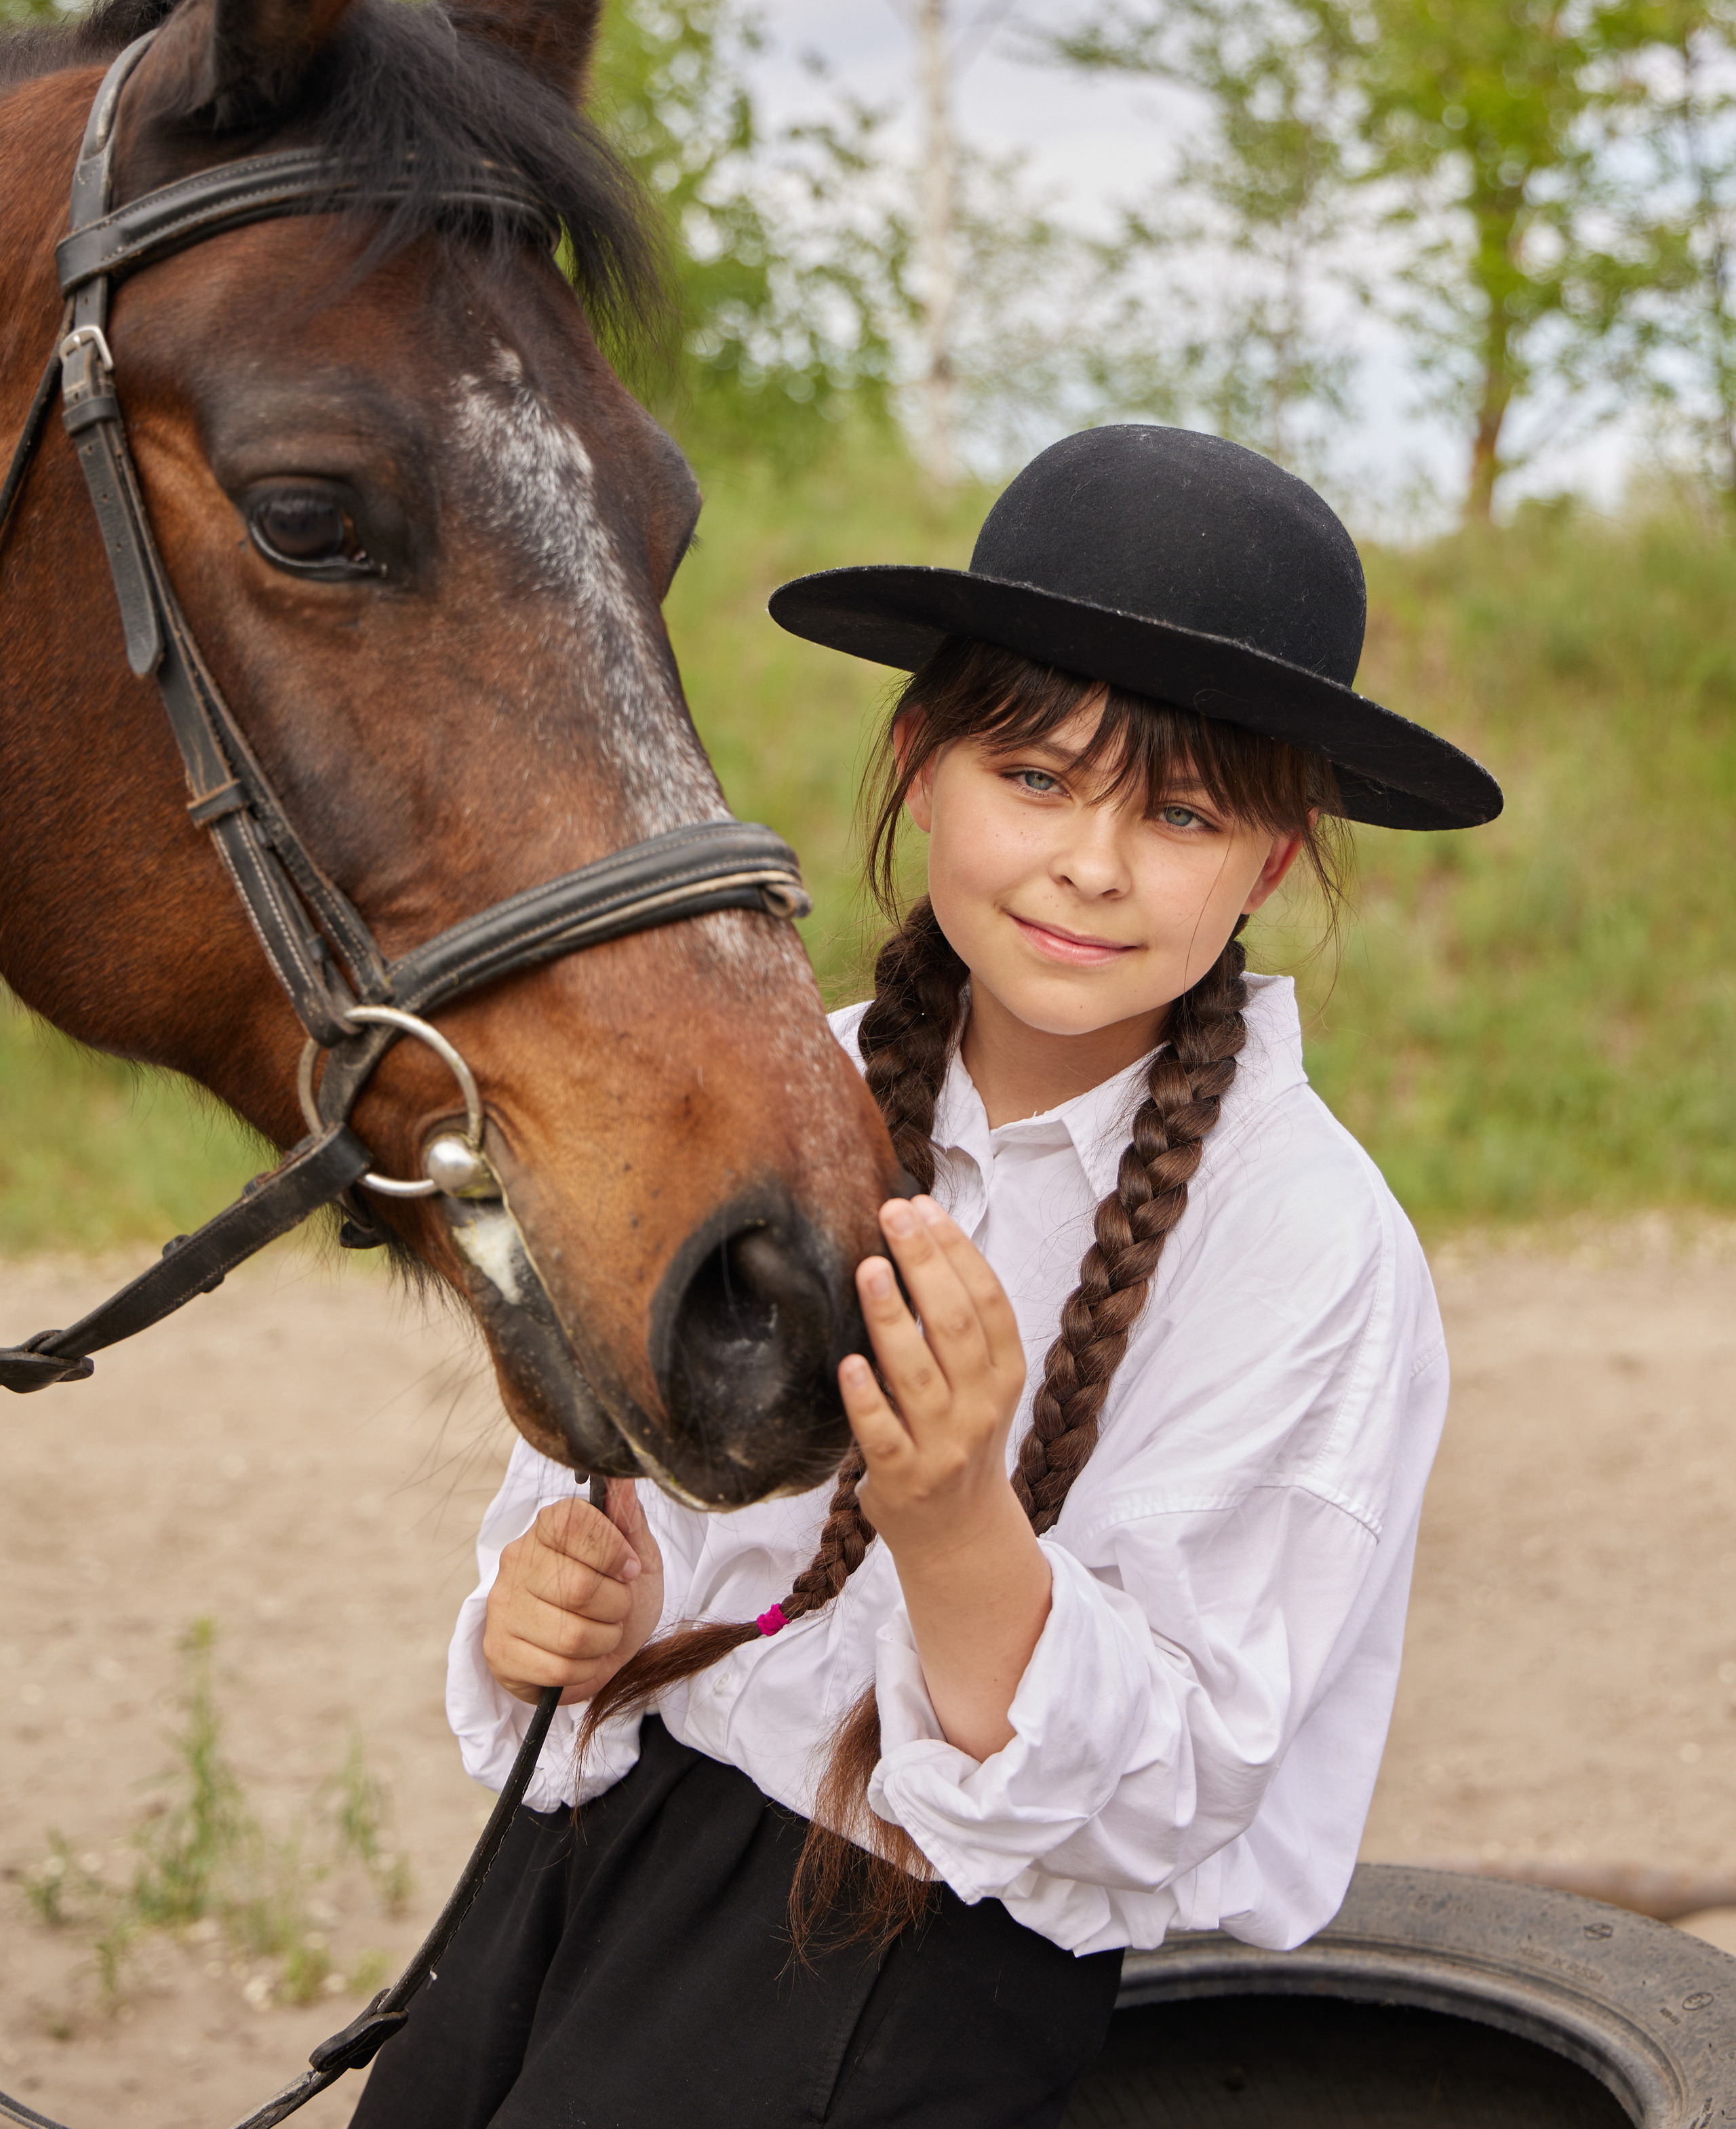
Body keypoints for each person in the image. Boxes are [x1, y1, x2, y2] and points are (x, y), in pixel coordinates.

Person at [354, 423, 1501, 2129]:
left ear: (1270, 861)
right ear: (919, 761)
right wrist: (559, 1616)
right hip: (578, 1881)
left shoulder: (1305, 1250)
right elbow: (599, 1504)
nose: (1091, 863)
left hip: (910, 1984)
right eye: (1034, 777)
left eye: (1180, 812)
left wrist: (957, 1509)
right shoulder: (776, 1096)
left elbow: (1163, 1789)